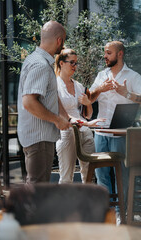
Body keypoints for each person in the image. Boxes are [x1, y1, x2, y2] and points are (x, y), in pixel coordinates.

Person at [88, 41, 141, 198]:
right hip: (101, 132)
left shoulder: (133, 76)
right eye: (105, 53)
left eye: (109, 53)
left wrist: (127, 94)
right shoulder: (102, 76)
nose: (105, 56)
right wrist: (99, 88)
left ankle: (119, 214)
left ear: (120, 54)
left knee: (121, 175)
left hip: (121, 135)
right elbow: (89, 99)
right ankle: (106, 211)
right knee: (101, 176)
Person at [17, 21, 70, 184]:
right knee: (37, 190)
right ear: (59, 40)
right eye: (64, 41)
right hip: (38, 138)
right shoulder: (40, 65)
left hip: (38, 137)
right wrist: (56, 119)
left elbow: (48, 95)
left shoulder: (37, 61)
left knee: (37, 188)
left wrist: (65, 116)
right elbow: (29, 102)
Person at [55, 48, 105, 184]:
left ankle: (87, 204)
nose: (74, 66)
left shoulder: (78, 86)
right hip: (66, 131)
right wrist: (87, 123)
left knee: (89, 174)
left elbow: (88, 115)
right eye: (72, 63)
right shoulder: (55, 86)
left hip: (84, 130)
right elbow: (60, 114)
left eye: (76, 63)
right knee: (66, 175)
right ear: (61, 63)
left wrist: (88, 103)